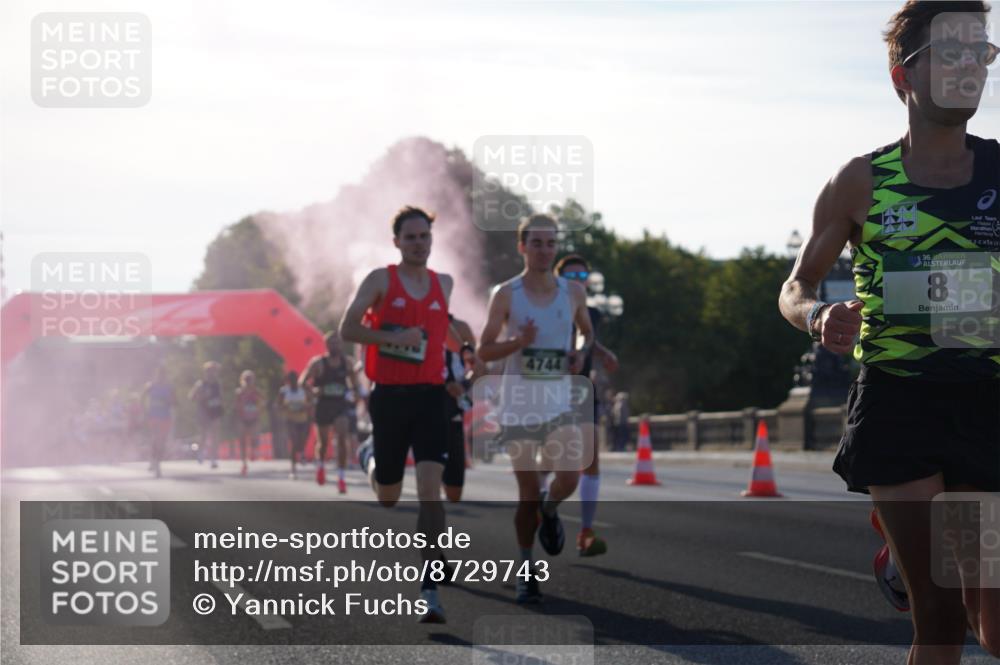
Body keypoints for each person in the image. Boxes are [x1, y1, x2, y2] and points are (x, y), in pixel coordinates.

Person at [778, 3, 999, 660]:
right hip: (899, 399)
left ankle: (904, 555)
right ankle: (910, 555)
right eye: (952, 52)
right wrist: (818, 315)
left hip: (986, 400)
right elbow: (796, 286)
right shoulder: (861, 181)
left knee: (992, 623)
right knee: (939, 618)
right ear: (904, 76)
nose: (970, 67)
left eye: (981, 53)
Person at [340, 205, 454, 623]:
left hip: (431, 398)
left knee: (429, 489)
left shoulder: (445, 283)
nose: (419, 244)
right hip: (389, 397)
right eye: (411, 237)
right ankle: (370, 457)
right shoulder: (380, 280)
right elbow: (347, 329)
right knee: (388, 496)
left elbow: (445, 328)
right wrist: (395, 337)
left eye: (425, 236)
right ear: (396, 242)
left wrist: (469, 353)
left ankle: (429, 590)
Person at [478, 214, 595, 603]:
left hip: (559, 403)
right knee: (527, 494)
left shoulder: (572, 293)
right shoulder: (507, 294)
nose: (545, 250)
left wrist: (578, 354)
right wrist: (518, 342)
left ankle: (552, 508)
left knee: (570, 477)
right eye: (537, 243)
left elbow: (586, 330)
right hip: (518, 407)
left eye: (551, 243)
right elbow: (485, 349)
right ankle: (526, 567)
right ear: (522, 247)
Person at [555, 254, 620, 557]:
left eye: (582, 278)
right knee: (550, 465)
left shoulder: (592, 313)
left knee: (591, 460)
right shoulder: (546, 307)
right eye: (571, 277)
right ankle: (545, 516)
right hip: (549, 392)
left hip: (582, 391)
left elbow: (588, 341)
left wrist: (604, 354)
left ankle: (586, 532)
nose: (577, 283)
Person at [301, 332, 360, 492]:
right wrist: (313, 391)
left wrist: (355, 395)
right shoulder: (318, 363)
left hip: (340, 405)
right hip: (323, 405)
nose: (335, 346)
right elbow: (303, 382)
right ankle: (320, 466)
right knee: (324, 442)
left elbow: (355, 384)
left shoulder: (347, 363)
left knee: (342, 437)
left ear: (341, 345)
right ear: (326, 345)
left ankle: (341, 477)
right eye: (332, 343)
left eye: (338, 343)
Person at [188, 361, 224, 469]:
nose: (212, 373)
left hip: (215, 411)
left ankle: (213, 459)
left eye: (214, 371)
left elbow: (221, 397)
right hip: (204, 412)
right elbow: (191, 397)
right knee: (203, 435)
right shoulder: (201, 384)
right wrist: (202, 396)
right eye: (209, 371)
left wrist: (220, 404)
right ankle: (201, 453)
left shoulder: (217, 384)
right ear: (206, 372)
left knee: (215, 436)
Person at [278, 369, 313, 480]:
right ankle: (293, 470)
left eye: (295, 379)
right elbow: (278, 405)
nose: (293, 382)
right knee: (293, 441)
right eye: (291, 380)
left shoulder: (303, 389)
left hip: (302, 419)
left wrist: (306, 407)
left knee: (301, 440)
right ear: (288, 381)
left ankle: (302, 452)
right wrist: (286, 407)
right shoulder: (284, 391)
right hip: (290, 419)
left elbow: (311, 400)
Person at [142, 366, 175, 478]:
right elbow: (143, 397)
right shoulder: (151, 386)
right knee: (156, 438)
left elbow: (174, 401)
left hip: (165, 417)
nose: (161, 377)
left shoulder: (168, 387)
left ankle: (155, 460)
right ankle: (156, 464)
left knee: (162, 441)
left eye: (163, 375)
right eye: (159, 374)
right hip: (154, 416)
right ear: (156, 375)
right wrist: (144, 410)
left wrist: (169, 401)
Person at [234, 370, 261, 477]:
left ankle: (253, 451)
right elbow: (236, 405)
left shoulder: (256, 391)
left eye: (250, 379)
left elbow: (263, 401)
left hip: (254, 418)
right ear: (242, 380)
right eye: (246, 379)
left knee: (254, 437)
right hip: (242, 418)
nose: (248, 381)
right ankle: (244, 464)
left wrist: (258, 407)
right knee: (242, 441)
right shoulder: (239, 392)